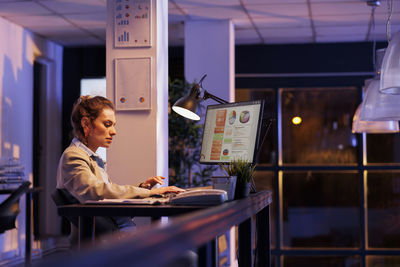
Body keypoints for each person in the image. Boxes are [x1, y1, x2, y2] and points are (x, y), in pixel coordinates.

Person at [56, 95, 184, 232]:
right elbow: (96, 192)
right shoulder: (74, 155)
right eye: (107, 124)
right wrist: (151, 193)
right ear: (86, 124)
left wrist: (143, 187)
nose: (114, 132)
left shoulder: (90, 157)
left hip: (119, 233)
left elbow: (107, 191)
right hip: (111, 241)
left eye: (113, 125)